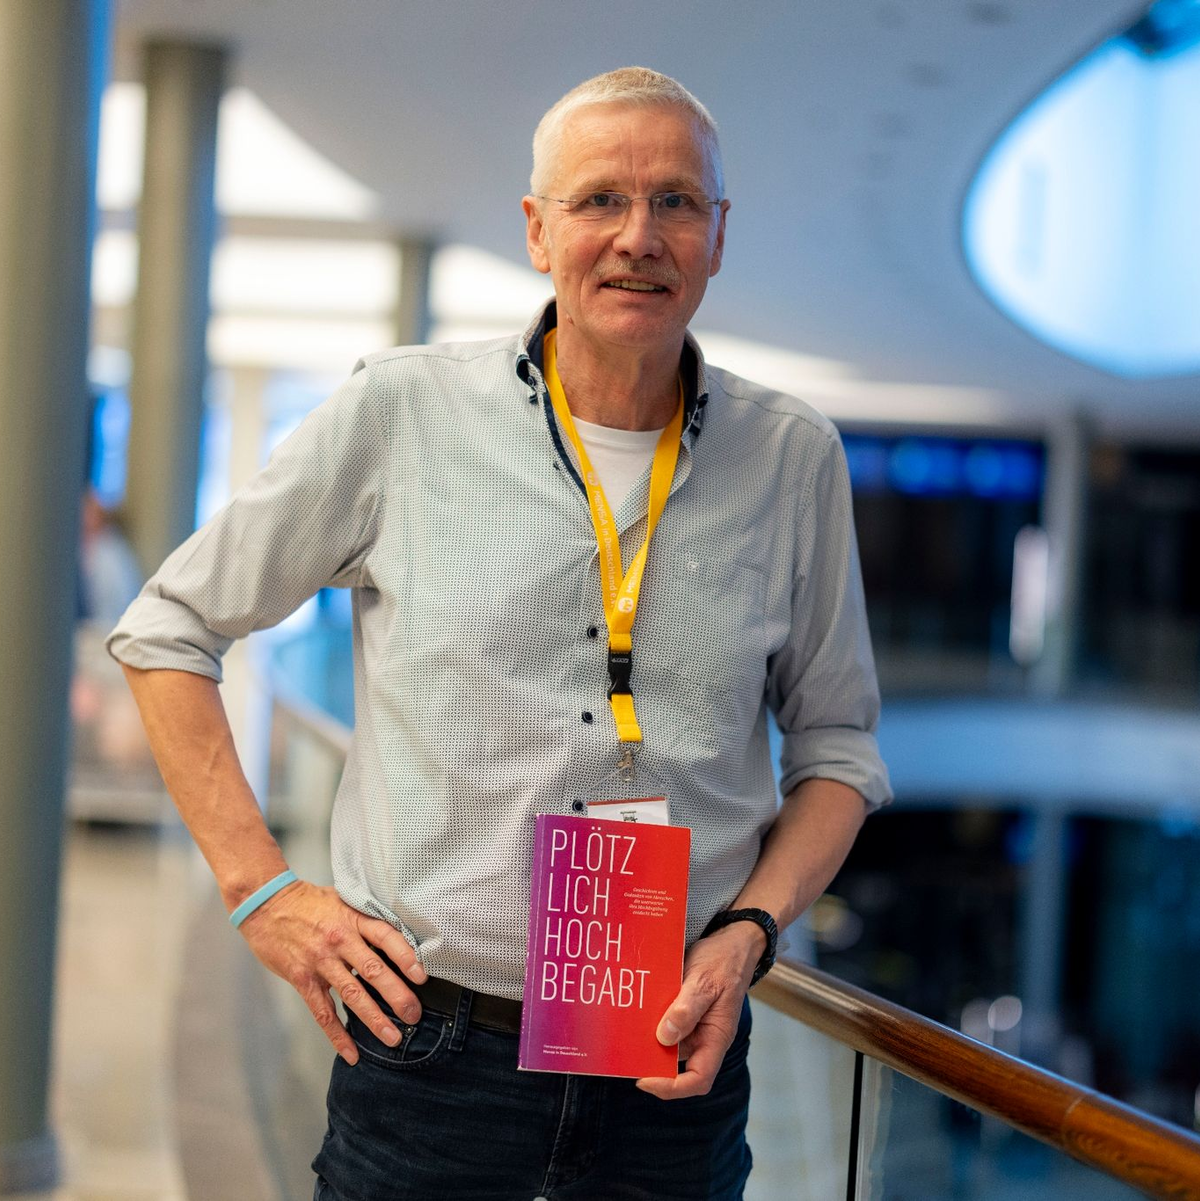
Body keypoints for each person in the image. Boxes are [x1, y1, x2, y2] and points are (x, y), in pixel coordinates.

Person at [109, 66, 891, 1201]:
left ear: (718, 237)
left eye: (676, 201)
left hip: (674, 1059)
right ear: (537, 230)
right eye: (599, 202)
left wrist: (750, 934)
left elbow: (840, 753)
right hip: (427, 1052)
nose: (639, 236)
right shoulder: (402, 413)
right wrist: (261, 890)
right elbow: (167, 627)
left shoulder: (793, 460)